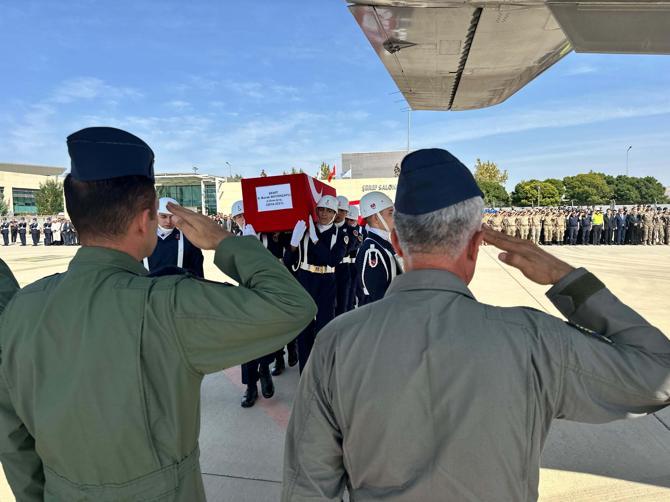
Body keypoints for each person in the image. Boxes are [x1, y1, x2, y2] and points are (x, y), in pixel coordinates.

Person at [282, 148, 670, 502]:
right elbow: (658, 374)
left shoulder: (338, 341)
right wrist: (565, 278)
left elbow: (308, 485)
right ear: (475, 244)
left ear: (396, 241)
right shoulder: (533, 341)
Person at [0, 126, 316, 501]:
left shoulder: (23, 307)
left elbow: (12, 433)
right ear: (142, 219)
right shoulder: (167, 305)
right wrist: (225, 242)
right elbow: (292, 306)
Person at [284, 194, 347, 372]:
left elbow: (333, 260)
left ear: (335, 214)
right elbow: (289, 261)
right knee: (304, 329)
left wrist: (315, 239)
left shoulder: (340, 234)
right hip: (305, 280)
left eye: (329, 210)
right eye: (321, 209)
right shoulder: (305, 229)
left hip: (326, 282)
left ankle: (323, 368)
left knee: (324, 328)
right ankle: (305, 370)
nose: (324, 214)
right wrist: (294, 242)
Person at [227, 200, 278, 407]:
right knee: (246, 341)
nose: (242, 220)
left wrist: (256, 242)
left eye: (245, 215)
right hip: (245, 295)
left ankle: (264, 369)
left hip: (266, 293)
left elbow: (276, 262)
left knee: (266, 337)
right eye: (238, 217)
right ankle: (250, 386)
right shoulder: (233, 240)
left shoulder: (268, 237)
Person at [355, 191, 402, 306]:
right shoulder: (373, 250)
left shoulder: (382, 244)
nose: (395, 217)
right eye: (391, 213)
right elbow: (378, 297)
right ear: (376, 218)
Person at [144, 197, 204, 277]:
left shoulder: (189, 240)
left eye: (172, 217)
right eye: (163, 216)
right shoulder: (141, 240)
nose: (168, 221)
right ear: (155, 215)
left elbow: (197, 273)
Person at [334, 196, 354, 316]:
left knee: (343, 304)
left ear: (346, 213)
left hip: (342, 269)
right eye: (337, 209)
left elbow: (347, 249)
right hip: (326, 272)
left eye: (342, 211)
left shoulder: (351, 231)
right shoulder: (324, 227)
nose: (339, 213)